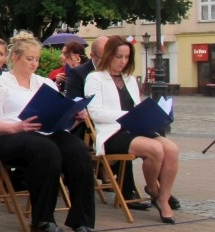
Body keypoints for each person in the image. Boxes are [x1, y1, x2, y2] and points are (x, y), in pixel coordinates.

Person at [0, 31, 96, 232]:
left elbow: (59, 114)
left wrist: (75, 117)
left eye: (37, 59)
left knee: (77, 150)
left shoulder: (44, 83)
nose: (34, 64)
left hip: (46, 132)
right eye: (29, 59)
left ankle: (82, 220)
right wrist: (16, 127)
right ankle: (43, 221)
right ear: (15, 58)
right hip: (10, 136)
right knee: (46, 151)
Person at [84, 36, 180, 223]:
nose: (123, 61)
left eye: (126, 57)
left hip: (135, 128)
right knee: (155, 149)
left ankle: (163, 196)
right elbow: (95, 113)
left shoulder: (129, 79)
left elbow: (135, 106)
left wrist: (147, 115)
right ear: (109, 55)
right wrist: (126, 116)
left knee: (172, 149)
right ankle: (153, 189)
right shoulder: (95, 78)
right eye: (119, 57)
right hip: (112, 133)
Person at [66, 36, 154, 209]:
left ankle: (157, 187)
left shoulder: (125, 77)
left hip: (121, 122)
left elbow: (133, 102)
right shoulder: (83, 74)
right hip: (87, 125)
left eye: (124, 56)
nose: (118, 60)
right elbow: (75, 103)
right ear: (94, 55)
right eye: (112, 55)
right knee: (129, 139)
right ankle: (127, 189)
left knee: (158, 135)